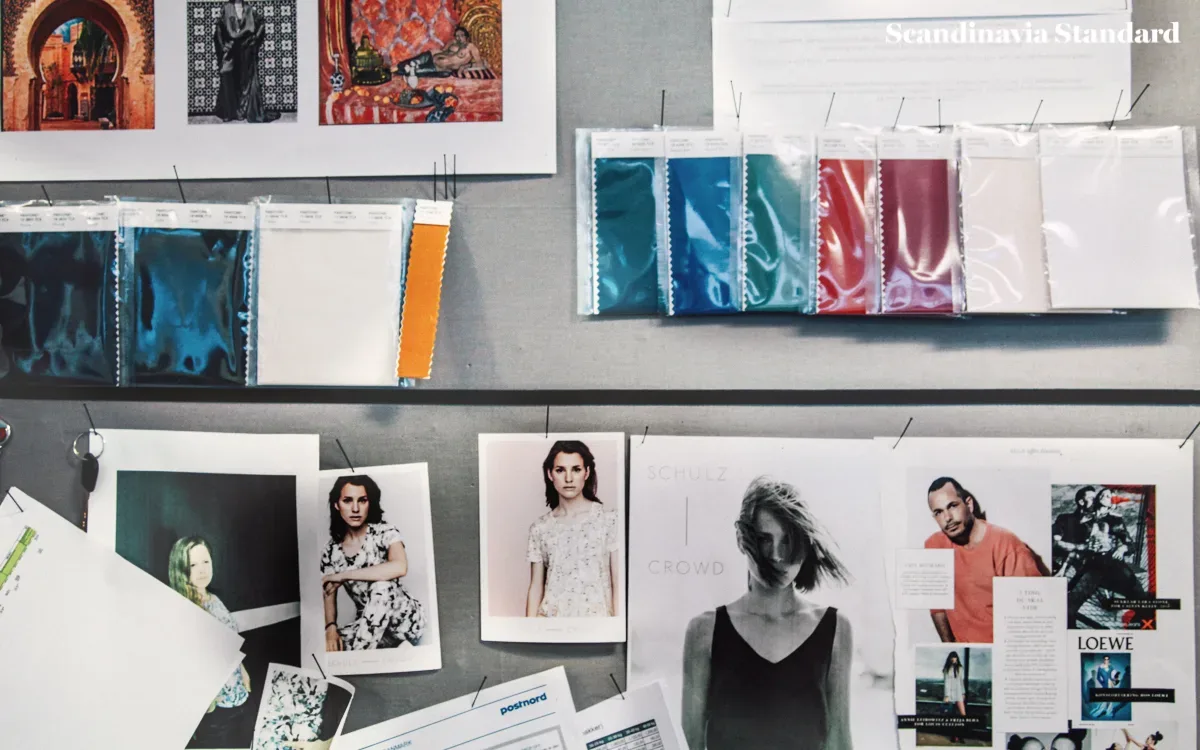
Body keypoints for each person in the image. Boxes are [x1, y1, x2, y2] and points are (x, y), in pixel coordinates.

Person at [681, 477, 853, 750]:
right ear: (742, 539)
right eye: (764, 539)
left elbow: (840, 741)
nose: (776, 555)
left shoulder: (835, 628)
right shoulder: (704, 630)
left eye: (788, 541)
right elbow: (690, 743)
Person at [925, 477, 1044, 643]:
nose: (947, 518)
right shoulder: (934, 545)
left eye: (952, 506)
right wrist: (949, 647)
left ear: (969, 504)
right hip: (966, 656)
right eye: (938, 512)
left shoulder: (1007, 546)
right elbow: (937, 605)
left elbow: (1033, 618)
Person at [321, 475, 425, 651]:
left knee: (381, 586)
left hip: (405, 620)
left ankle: (363, 659)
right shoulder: (331, 550)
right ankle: (384, 650)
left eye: (362, 500)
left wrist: (344, 575)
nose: (355, 508)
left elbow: (400, 566)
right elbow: (328, 591)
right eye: (347, 500)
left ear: (370, 503)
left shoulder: (385, 531)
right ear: (336, 505)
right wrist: (330, 627)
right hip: (371, 625)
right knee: (330, 646)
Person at [168, 536, 252, 744]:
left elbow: (228, 643)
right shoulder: (181, 609)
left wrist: (243, 671)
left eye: (206, 562)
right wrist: (206, 700)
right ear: (181, 568)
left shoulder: (214, 599)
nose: (202, 570)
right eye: (193, 565)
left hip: (239, 699)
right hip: (216, 712)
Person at [525, 440, 620, 617]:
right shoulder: (540, 528)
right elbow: (536, 587)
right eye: (560, 470)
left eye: (576, 469)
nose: (568, 479)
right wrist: (529, 635)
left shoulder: (609, 520)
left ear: (587, 472)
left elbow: (618, 583)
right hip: (551, 627)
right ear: (550, 474)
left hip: (596, 624)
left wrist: (617, 630)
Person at [1054, 487, 1148, 628]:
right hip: (1093, 567)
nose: (1106, 496)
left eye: (1109, 496)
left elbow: (1130, 544)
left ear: (1111, 503)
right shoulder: (1085, 520)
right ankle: (1073, 636)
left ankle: (1137, 633)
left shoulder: (1116, 521)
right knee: (1069, 607)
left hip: (1114, 565)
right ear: (1098, 499)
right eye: (1103, 494)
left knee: (1143, 602)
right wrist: (1064, 567)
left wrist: (1123, 548)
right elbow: (1075, 548)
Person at [213, 0, 281, 123]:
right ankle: (229, 112)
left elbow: (261, 24)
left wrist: (254, 40)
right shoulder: (226, 8)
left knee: (245, 81)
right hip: (230, 50)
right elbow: (219, 29)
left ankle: (241, 112)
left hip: (245, 49)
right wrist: (223, 46)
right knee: (227, 77)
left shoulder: (249, 9)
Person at [393, 26, 488, 79]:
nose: (459, 38)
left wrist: (466, 66)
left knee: (409, 72)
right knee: (402, 65)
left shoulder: (471, 47)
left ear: (467, 37)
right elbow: (443, 51)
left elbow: (480, 64)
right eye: (457, 36)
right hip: (430, 55)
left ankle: (389, 73)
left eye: (461, 36)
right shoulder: (453, 42)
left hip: (438, 67)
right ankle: (388, 70)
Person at [942, 651, 968, 744]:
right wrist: (946, 696)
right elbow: (946, 683)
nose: (954, 659)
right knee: (952, 717)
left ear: (957, 658)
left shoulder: (960, 668)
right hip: (950, 695)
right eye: (952, 657)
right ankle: (954, 736)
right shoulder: (947, 669)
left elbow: (961, 681)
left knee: (963, 716)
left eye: (955, 657)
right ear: (949, 658)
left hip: (959, 693)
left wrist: (963, 693)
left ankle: (961, 736)